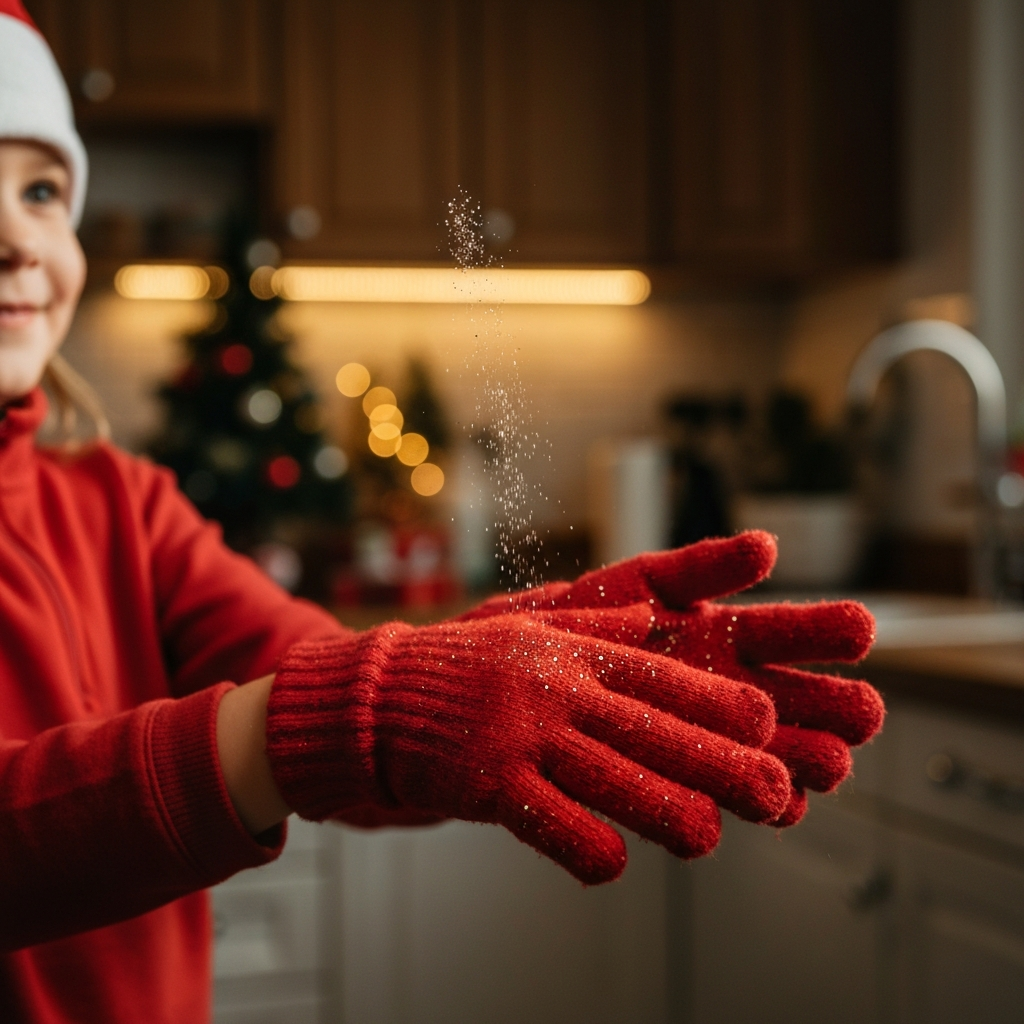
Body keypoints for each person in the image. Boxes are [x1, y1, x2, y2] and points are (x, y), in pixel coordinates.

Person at [0, 2, 883, 1021]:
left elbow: (321, 686)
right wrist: (334, 721)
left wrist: (475, 669)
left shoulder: (121, 501)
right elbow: (315, 722)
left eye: (42, 190)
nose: (21, 239)